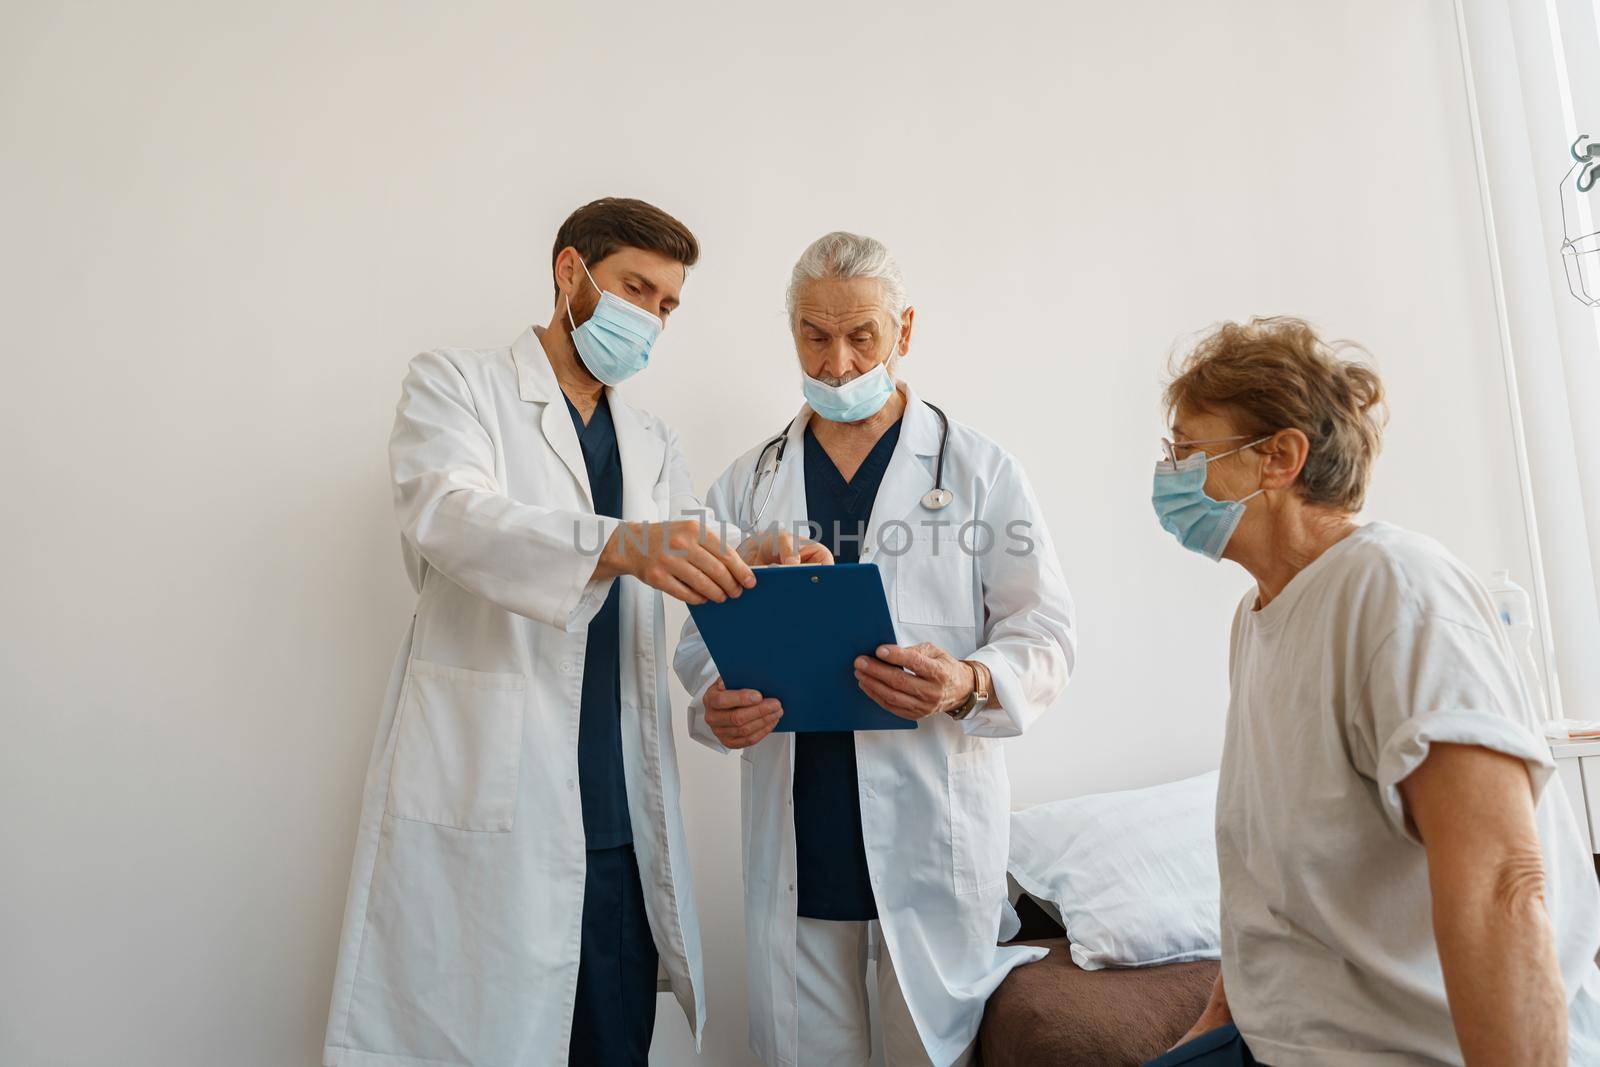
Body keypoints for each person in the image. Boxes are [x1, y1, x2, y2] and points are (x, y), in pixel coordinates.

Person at [323, 197, 802, 1067]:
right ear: (570, 272)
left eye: (666, 305)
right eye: (636, 288)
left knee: (611, 1046)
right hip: (489, 801)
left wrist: (755, 555)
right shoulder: (456, 385)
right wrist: (620, 542)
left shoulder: (650, 441)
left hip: (616, 820)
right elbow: (451, 513)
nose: (651, 318)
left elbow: (682, 555)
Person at [1148, 317, 1600, 1066]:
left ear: (1279, 458)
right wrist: (1217, 1019)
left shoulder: (1394, 591)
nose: (1169, 474)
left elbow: (1501, 884)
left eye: (1188, 450)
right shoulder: (1257, 618)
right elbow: (1271, 884)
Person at [673, 231, 1076, 1067]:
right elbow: (697, 644)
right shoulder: (748, 483)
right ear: (792, 333)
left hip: (933, 828)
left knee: (927, 1054)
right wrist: (717, 709)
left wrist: (967, 680)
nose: (840, 360)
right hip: (801, 829)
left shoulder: (978, 471)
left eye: (864, 335)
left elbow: (1047, 637)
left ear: (906, 330)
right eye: (815, 336)